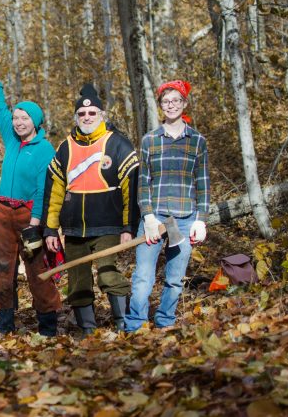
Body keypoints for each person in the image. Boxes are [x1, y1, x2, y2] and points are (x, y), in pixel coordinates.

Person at [42, 84, 139, 334]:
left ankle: (123, 324)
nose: (87, 117)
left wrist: (129, 227)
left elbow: (132, 188)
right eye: (82, 114)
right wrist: (50, 229)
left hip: (108, 226)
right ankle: (88, 330)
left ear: (101, 115)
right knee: (77, 281)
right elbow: (55, 191)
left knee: (108, 275)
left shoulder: (117, 144)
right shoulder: (65, 147)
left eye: (92, 113)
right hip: (74, 229)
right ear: (76, 117)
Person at [0, 54, 60, 336]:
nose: (18, 122)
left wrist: (36, 223)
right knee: (2, 271)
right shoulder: (12, 139)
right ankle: (6, 323)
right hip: (2, 215)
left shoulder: (45, 148)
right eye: (16, 118)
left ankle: (47, 325)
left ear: (35, 122)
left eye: (24, 118)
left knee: (38, 271)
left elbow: (42, 189)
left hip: (29, 217)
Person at [124, 80, 210, 332]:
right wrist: (148, 217)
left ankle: (165, 321)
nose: (171, 105)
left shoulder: (197, 141)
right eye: (166, 101)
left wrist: (201, 219)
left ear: (184, 104)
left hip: (183, 218)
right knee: (143, 275)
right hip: (156, 217)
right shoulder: (150, 140)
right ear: (160, 105)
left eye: (176, 101)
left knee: (174, 278)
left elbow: (202, 183)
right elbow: (143, 182)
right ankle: (135, 324)